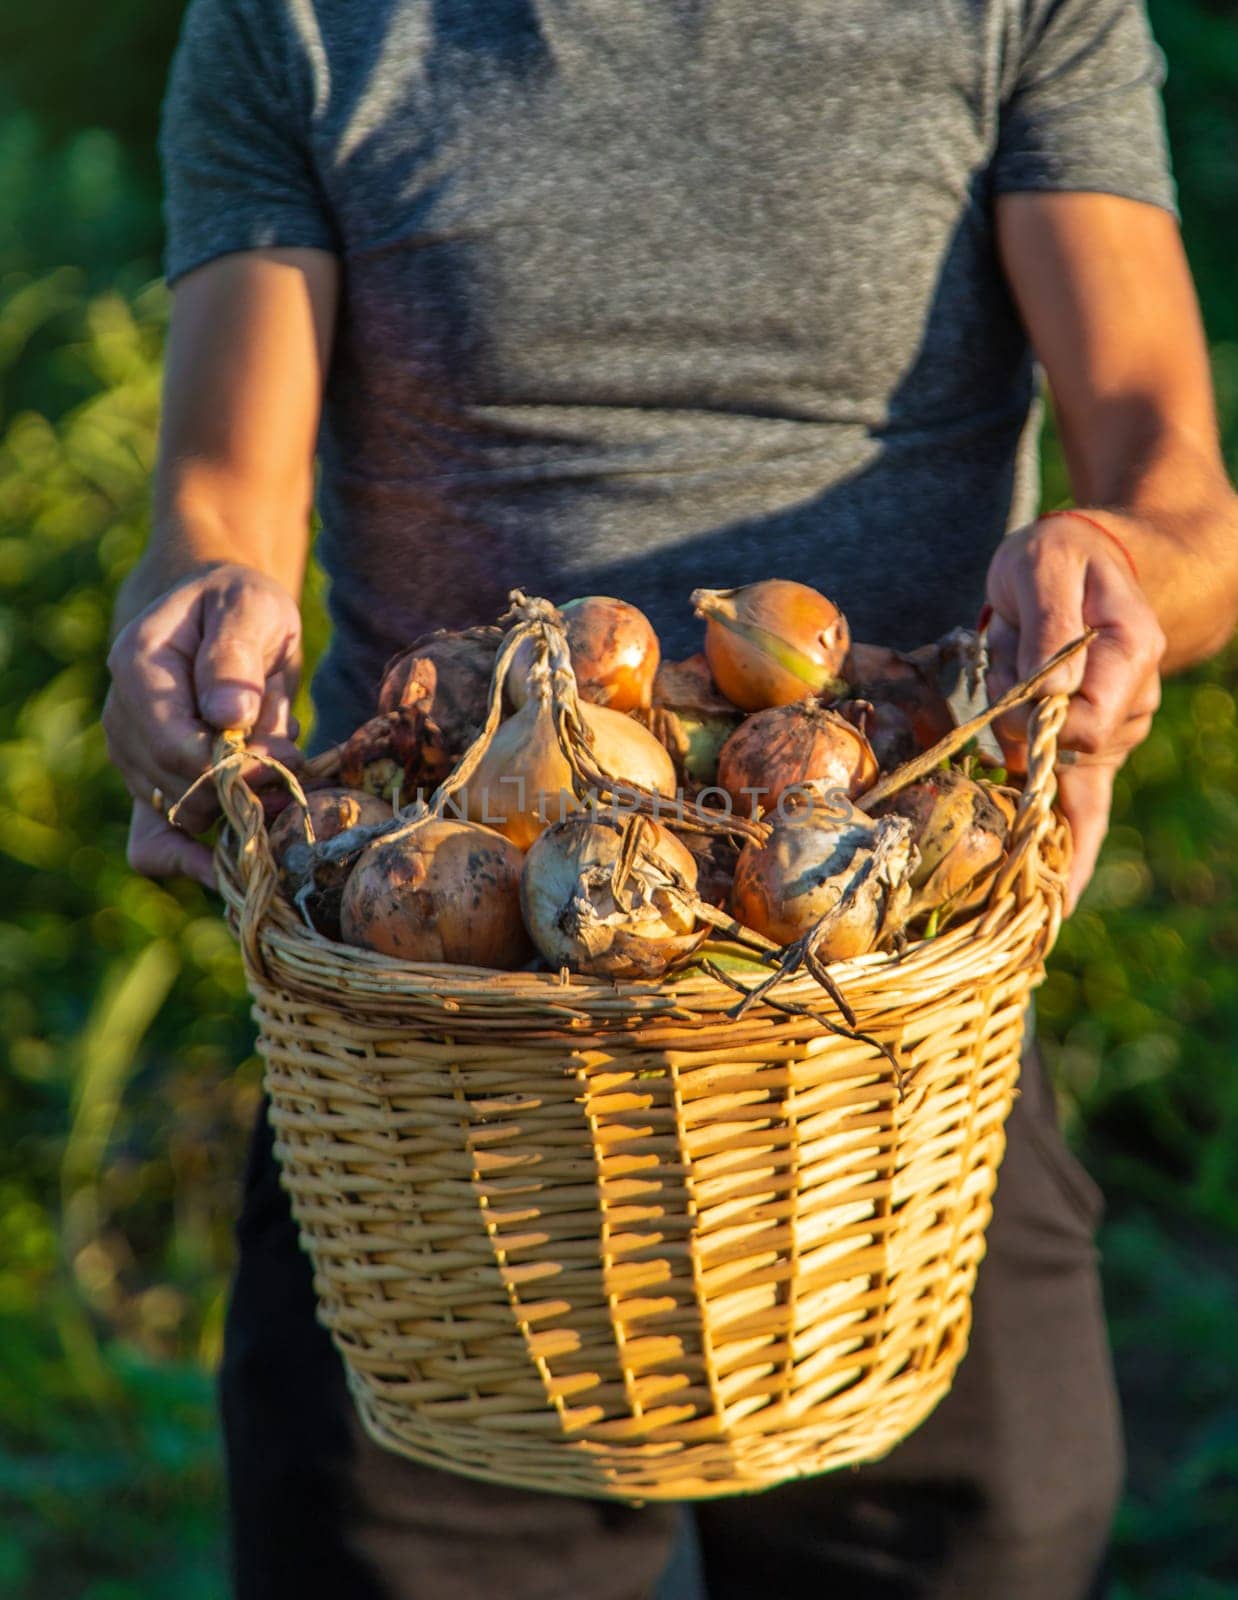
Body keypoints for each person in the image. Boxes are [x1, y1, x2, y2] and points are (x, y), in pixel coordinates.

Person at [104, 1, 1238, 1596]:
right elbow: (220, 496)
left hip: (879, 1031)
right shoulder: (300, 24)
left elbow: (1172, 473)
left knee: (984, 1535)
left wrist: (1118, 572)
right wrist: (193, 626)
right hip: (440, 1033)